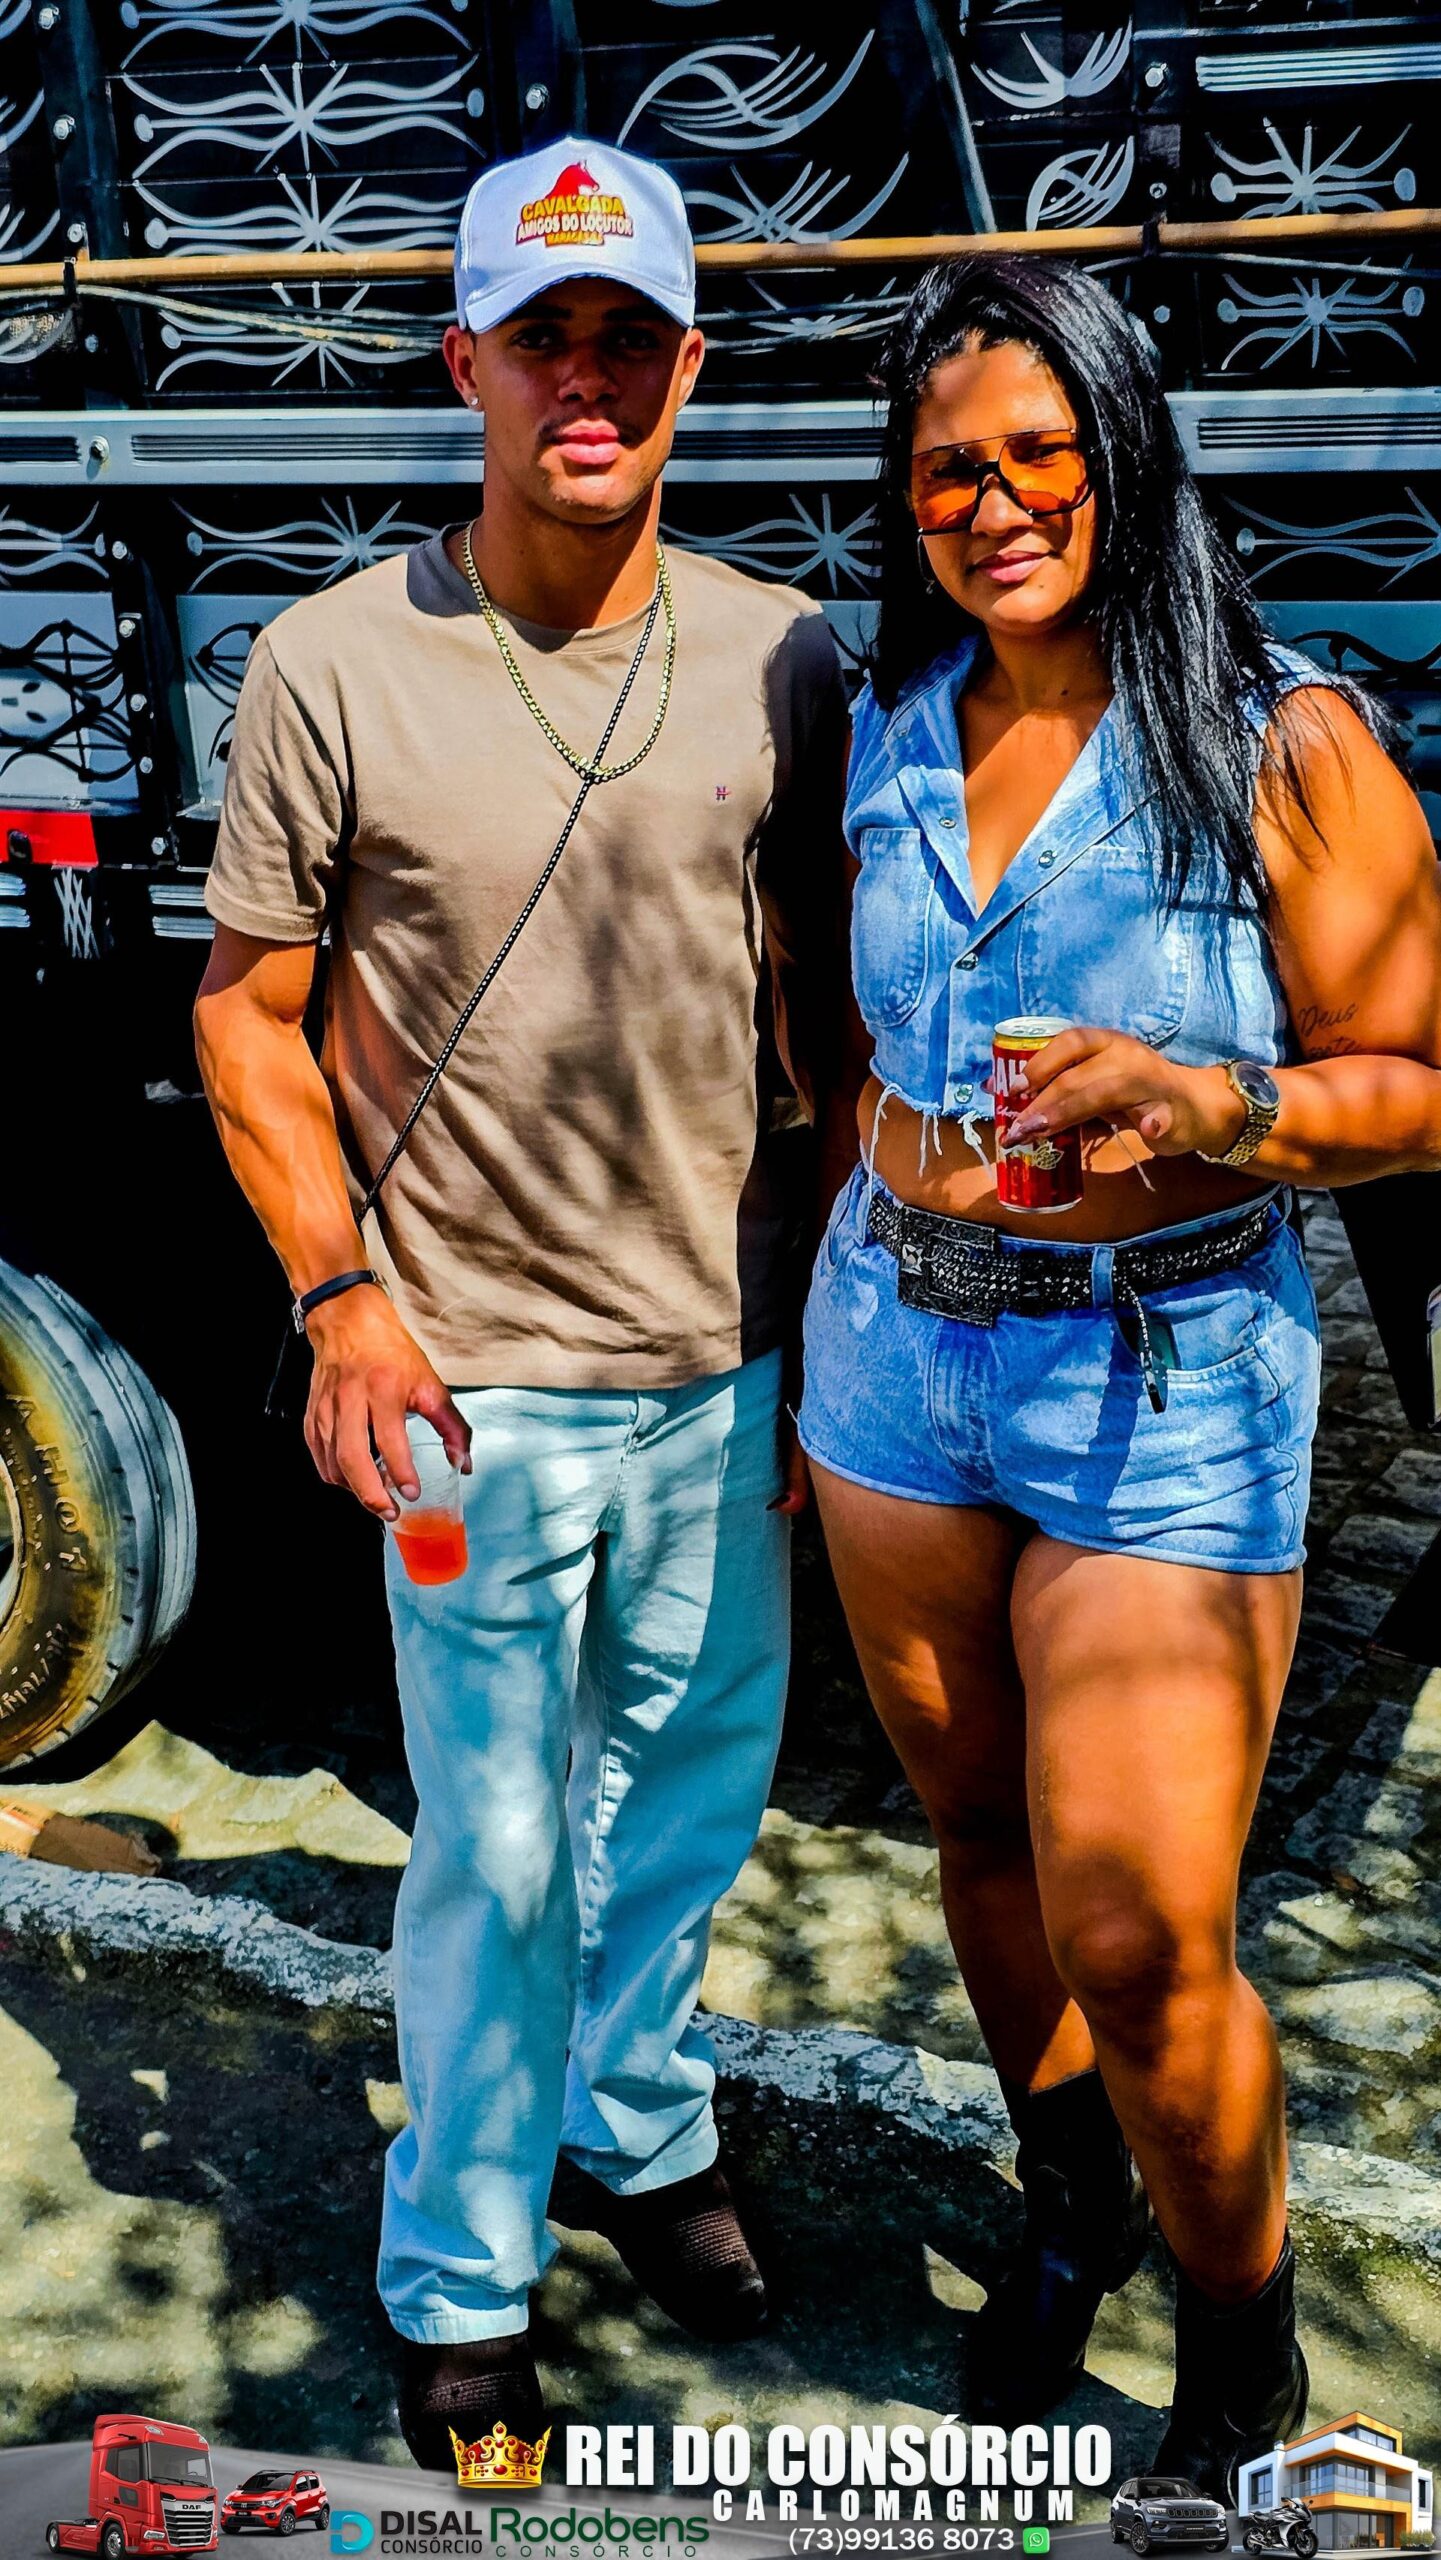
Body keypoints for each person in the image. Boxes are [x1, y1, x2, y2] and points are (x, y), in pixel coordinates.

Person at [193, 135, 849, 2462]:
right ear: (463, 361)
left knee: (682, 1797)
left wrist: (834, 1320)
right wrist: (340, 1293)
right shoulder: (333, 661)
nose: (588, 379)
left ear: (690, 366)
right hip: (467, 1383)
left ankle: (633, 2121)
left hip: (721, 1357)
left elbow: (827, 1012)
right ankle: (461, 2266)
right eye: (543, 335)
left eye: (628, 337)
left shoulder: (787, 654)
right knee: (486, 1847)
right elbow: (246, 1014)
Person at [798, 256, 1441, 2500]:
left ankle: (1237, 2358)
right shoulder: (881, 721)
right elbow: (835, 1027)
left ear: (1124, 455)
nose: (991, 506)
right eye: (944, 471)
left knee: (1143, 1929)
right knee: (977, 1840)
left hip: (1160, 1374)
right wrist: (873, 1171)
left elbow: (1414, 1086)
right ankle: (1068, 2202)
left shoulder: (1282, 740)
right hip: (893, 1360)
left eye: (1036, 455)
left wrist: (1205, 1096)